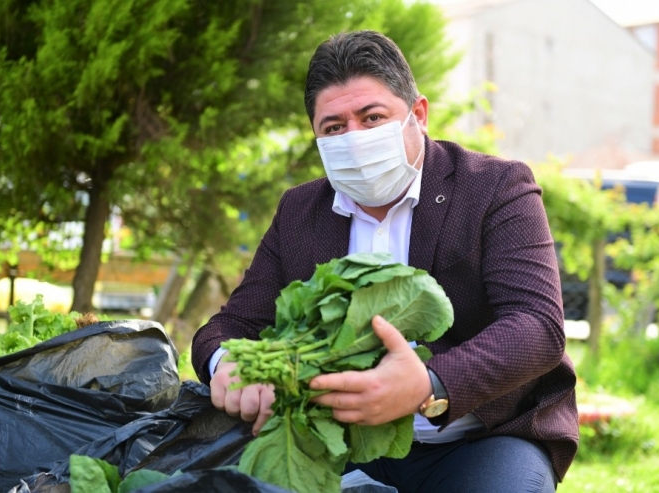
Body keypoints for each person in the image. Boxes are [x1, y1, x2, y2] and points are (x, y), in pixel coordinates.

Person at [192, 30, 578, 492]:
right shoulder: (300, 211)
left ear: (418, 114)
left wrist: (428, 384)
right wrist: (225, 361)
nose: (355, 138)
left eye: (372, 117)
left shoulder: (495, 188)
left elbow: (538, 326)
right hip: (334, 442)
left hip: (478, 440)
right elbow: (231, 324)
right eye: (334, 127)